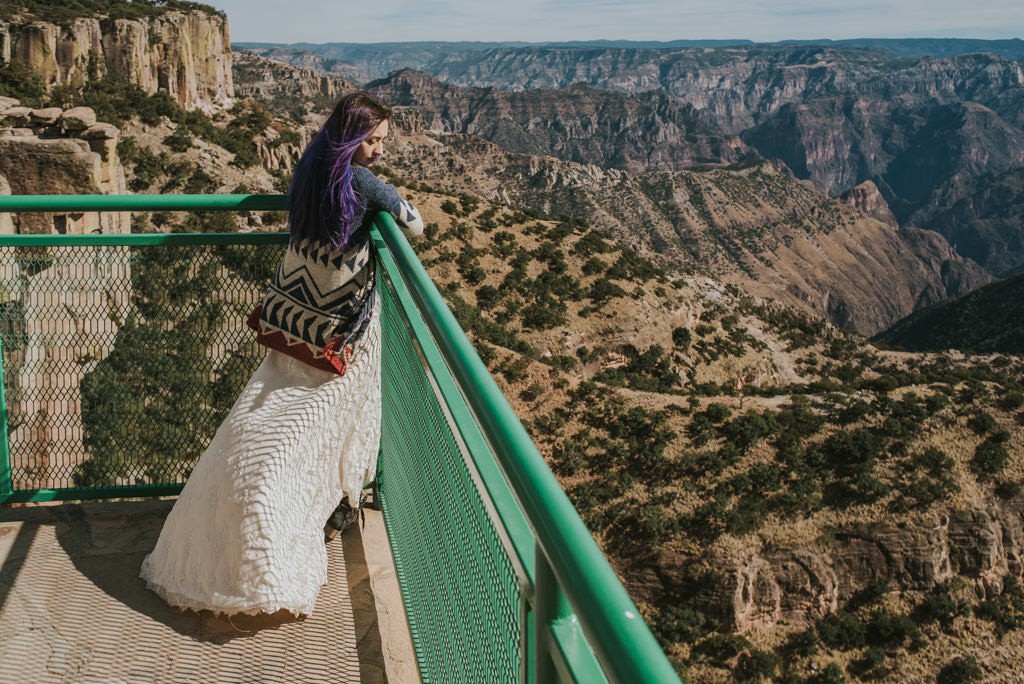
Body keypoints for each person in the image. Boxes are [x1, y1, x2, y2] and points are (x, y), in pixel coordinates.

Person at [140, 91, 423, 618]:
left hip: (293, 321)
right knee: (314, 428)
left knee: (266, 409)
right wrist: (389, 196)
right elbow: (414, 222)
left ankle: (257, 515)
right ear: (353, 140)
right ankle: (277, 531)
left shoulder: (312, 166)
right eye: (374, 141)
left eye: (383, 141)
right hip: (336, 332)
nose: (380, 151)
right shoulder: (361, 182)